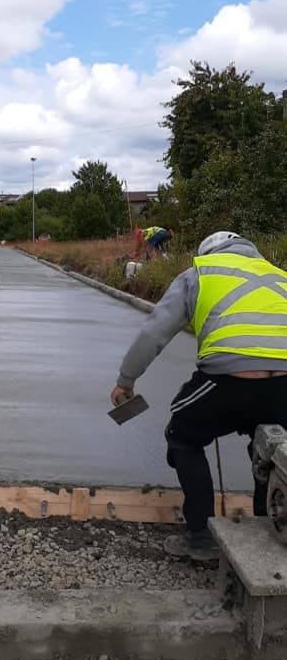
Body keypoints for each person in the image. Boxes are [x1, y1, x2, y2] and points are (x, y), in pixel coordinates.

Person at [110, 231, 287, 561]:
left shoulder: (200, 272)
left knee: (183, 434)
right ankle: (268, 529)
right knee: (271, 450)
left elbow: (155, 332)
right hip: (284, 383)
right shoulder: (279, 276)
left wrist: (126, 380)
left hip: (229, 378)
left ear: (207, 251)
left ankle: (200, 534)